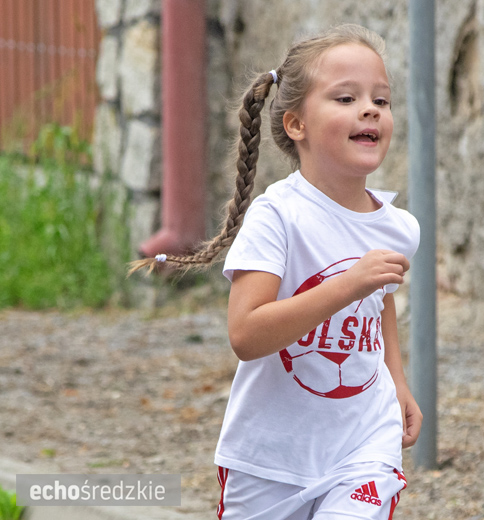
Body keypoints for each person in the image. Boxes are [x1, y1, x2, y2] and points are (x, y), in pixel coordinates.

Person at [129, 24, 422, 519]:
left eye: (382, 100)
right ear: (295, 124)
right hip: (267, 460)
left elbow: (376, 300)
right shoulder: (277, 216)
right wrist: (347, 284)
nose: (371, 109)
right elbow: (246, 333)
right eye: (346, 98)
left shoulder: (398, 227)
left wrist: (396, 381)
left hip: (362, 447)